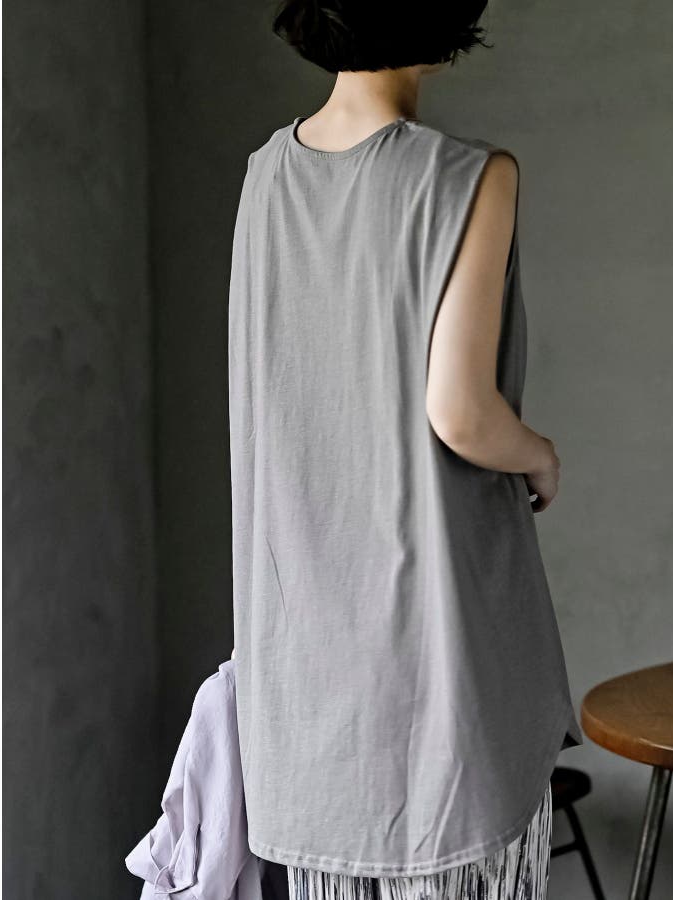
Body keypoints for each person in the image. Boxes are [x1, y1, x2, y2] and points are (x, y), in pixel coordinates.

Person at [227, 3, 582, 899]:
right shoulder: (470, 177)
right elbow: (461, 415)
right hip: (436, 649)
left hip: (305, 678)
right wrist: (540, 455)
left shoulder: (264, 177)